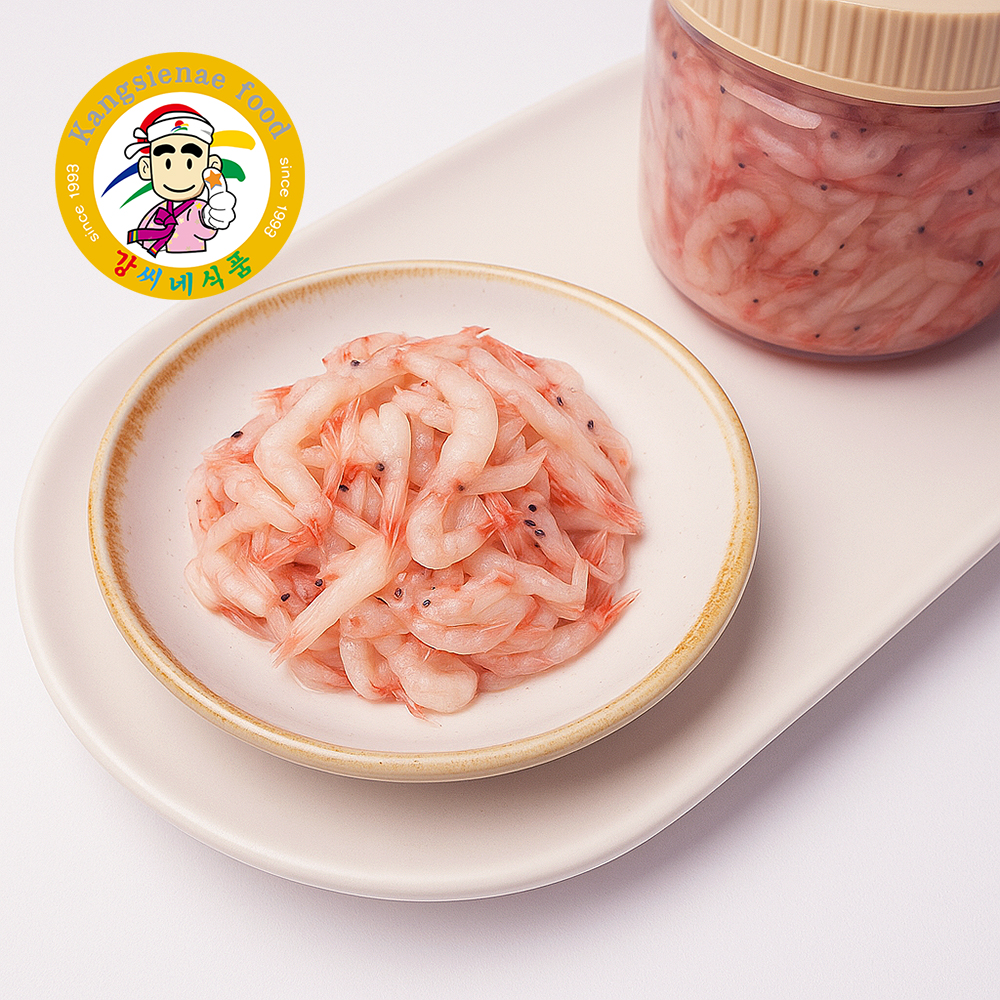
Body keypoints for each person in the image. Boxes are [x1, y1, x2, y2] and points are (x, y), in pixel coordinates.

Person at [124, 104, 236, 257]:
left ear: (212, 165)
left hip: (198, 261)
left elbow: (207, 221)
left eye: (189, 163)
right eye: (167, 163)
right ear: (146, 168)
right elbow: (145, 236)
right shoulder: (160, 211)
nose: (178, 174)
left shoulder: (198, 210)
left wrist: (217, 212)